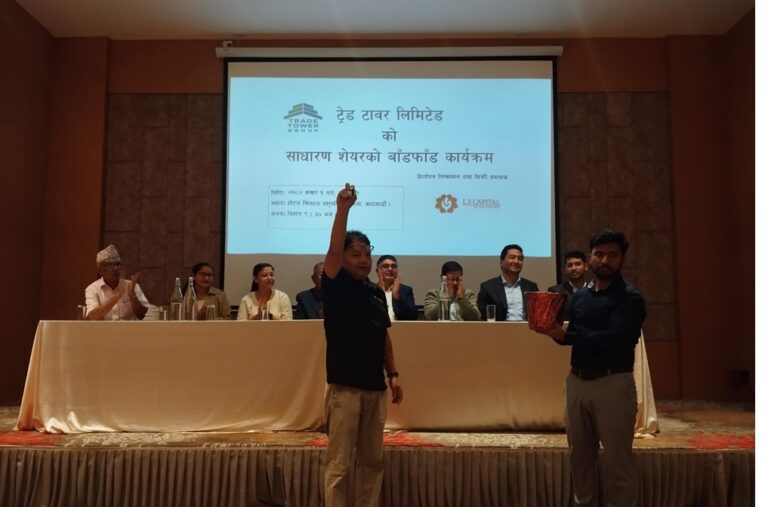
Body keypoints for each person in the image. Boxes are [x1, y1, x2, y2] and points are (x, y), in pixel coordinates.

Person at [536, 230, 646, 507]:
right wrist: (551, 330)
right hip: (577, 382)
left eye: (612, 255)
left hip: (613, 384)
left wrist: (565, 335)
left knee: (618, 461)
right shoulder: (580, 297)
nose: (605, 260)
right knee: (580, 458)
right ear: (590, 258)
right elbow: (570, 338)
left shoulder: (630, 298)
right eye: (599, 254)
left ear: (622, 259)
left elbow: (614, 339)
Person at [322, 183, 402, 507]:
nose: (363, 259)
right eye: (355, 254)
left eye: (367, 254)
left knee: (372, 463)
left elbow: (383, 335)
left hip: (375, 389)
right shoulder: (335, 284)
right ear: (342, 258)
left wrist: (393, 374)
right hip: (344, 389)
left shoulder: (374, 291)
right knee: (339, 464)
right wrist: (343, 210)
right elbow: (332, 249)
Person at [85, 244, 149, 321]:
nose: (115, 268)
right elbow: (93, 317)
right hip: (105, 328)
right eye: (110, 266)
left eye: (117, 265)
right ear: (100, 271)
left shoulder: (132, 286)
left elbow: (143, 316)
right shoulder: (92, 289)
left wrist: (132, 296)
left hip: (129, 328)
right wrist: (117, 296)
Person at [477, 244, 539, 321]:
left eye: (520, 259)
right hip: (499, 328)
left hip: (526, 327)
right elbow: (483, 315)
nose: (516, 261)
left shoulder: (531, 287)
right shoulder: (488, 287)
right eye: (512, 257)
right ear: (501, 262)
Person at [548, 250, 589, 320]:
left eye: (578, 264)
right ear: (565, 269)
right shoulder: (555, 291)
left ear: (586, 267)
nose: (574, 268)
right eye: (570, 265)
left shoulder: (593, 290)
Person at [374, 255, 418, 321]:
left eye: (393, 266)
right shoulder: (372, 290)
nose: (390, 269)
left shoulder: (406, 290)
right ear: (377, 271)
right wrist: (380, 294)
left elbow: (412, 317)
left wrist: (396, 296)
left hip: (400, 327)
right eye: (385, 266)